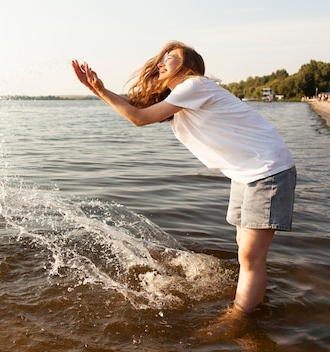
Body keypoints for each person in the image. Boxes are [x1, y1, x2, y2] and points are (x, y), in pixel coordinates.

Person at [71, 41, 296, 318]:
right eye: (161, 58)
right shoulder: (182, 97)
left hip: (267, 170)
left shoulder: (195, 85)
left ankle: (238, 318)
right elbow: (136, 109)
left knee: (251, 257)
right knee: (246, 254)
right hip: (245, 174)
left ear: (189, 68)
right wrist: (98, 89)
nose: (162, 62)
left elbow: (139, 119)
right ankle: (253, 301)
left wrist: (100, 89)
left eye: (171, 57)